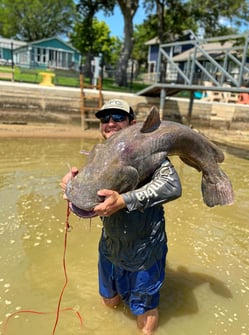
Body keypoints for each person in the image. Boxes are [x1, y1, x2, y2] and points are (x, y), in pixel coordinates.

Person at [61, 99, 182, 335]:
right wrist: (71, 184)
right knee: (109, 300)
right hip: (110, 245)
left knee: (144, 310)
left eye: (118, 117)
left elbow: (173, 186)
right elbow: (87, 192)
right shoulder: (100, 154)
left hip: (145, 250)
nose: (110, 123)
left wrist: (125, 200)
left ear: (133, 123)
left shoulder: (151, 153)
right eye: (105, 118)